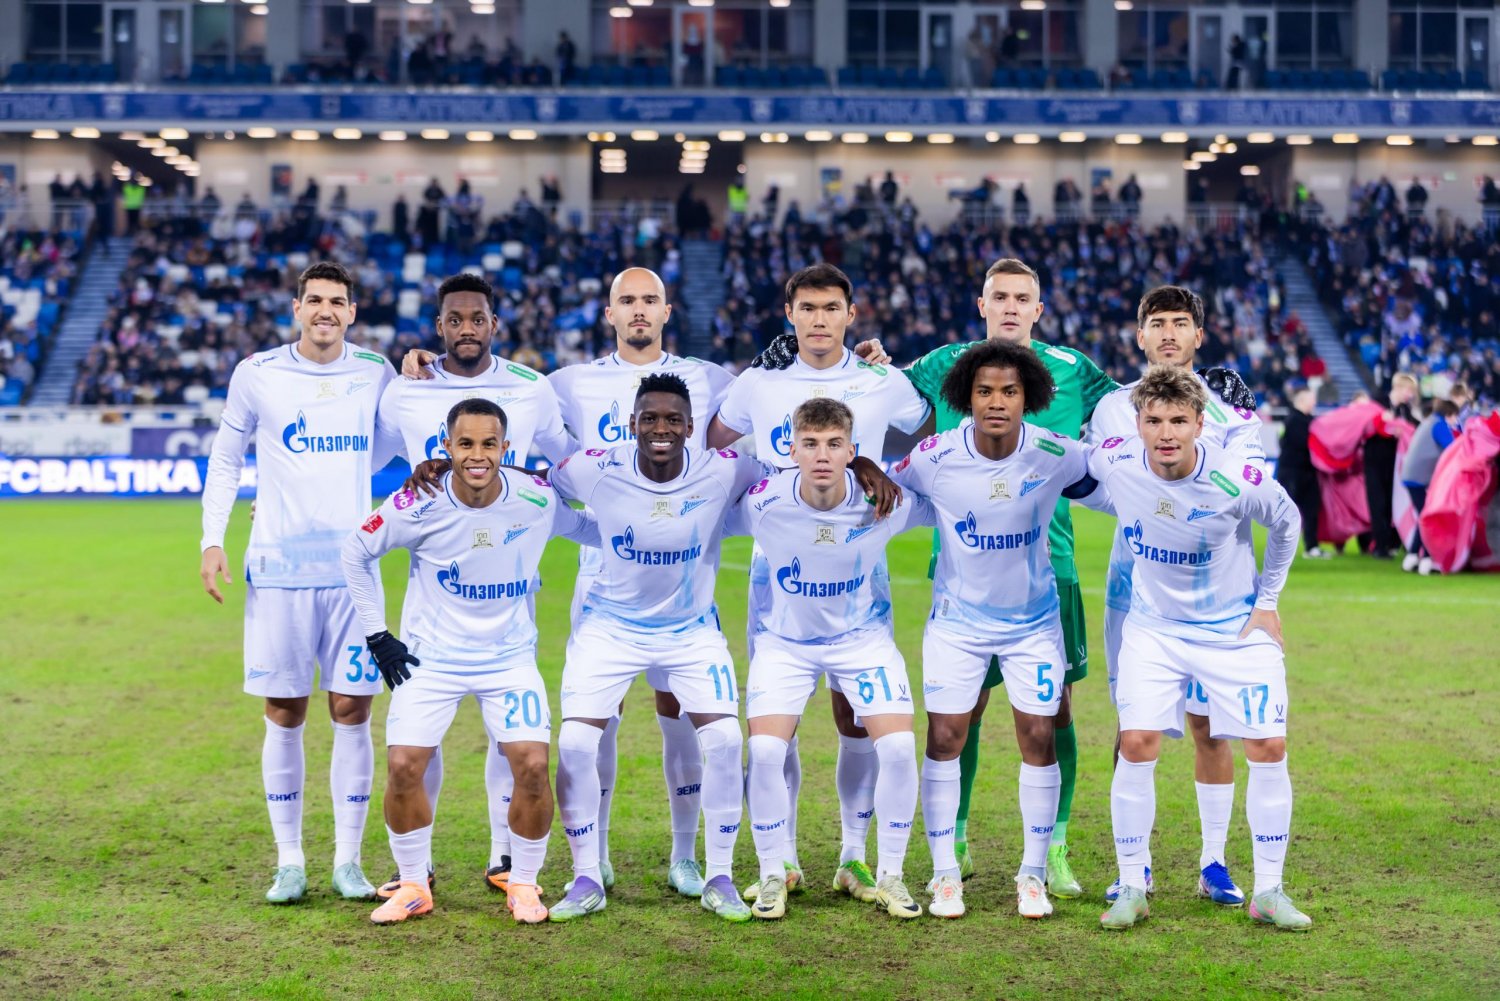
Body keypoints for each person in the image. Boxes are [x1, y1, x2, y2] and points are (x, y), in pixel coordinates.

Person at [401, 267, 730, 898]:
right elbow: (515, 434)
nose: (639, 310)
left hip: (684, 584)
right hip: (600, 581)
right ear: (609, 313)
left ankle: (685, 855)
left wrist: (867, 362)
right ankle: (594, 855)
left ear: (668, 310)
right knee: (595, 724)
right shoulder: (565, 384)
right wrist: (427, 366)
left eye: (650, 300)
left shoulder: (711, 379)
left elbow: (781, 407)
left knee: (682, 717)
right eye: (627, 300)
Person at [858, 257, 1115, 899]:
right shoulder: (946, 363)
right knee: (960, 711)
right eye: (999, 296)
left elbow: (1133, 409)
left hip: (1049, 564)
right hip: (961, 560)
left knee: (1054, 710)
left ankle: (1055, 847)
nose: (1010, 307)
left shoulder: (1074, 369)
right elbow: (887, 391)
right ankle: (957, 839)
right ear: (982, 305)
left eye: (1022, 298)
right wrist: (871, 363)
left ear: (1038, 309)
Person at [707, 263, 931, 904]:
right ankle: (780, 861)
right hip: (778, 571)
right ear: (789, 314)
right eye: (806, 308)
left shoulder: (881, 380)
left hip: (860, 560)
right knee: (775, 732)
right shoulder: (761, 380)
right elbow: (716, 439)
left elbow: (925, 431)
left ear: (851, 315)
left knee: (857, 722)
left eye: (831, 308)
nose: (819, 320)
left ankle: (856, 858)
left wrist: (870, 464)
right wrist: (754, 370)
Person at [343, 399, 598, 925]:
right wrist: (377, 635)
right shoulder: (418, 499)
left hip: (508, 659)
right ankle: (413, 885)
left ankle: (523, 884)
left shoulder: (536, 497)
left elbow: (591, 529)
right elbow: (355, 551)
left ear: (506, 448)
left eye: (488, 444)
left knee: (533, 766)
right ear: (446, 447)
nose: (477, 456)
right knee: (403, 766)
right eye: (465, 444)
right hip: (431, 659)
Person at [199, 262, 400, 904]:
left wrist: (334, 481)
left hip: (351, 574)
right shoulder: (257, 372)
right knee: (285, 712)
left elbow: (391, 446)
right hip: (279, 572)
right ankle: (290, 862)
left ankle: (347, 861)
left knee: (352, 710)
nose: (325, 311)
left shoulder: (376, 371)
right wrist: (212, 539)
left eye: (337, 301)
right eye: (314, 300)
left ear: (352, 312)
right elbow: (226, 458)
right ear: (296, 309)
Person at [1084, 365, 1310, 932]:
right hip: (1154, 630)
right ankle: (1132, 886)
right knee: (1135, 742)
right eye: (1154, 420)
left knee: (1268, 744)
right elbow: (1059, 462)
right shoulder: (1115, 459)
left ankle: (1269, 890)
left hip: (1233, 630)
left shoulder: (1236, 477)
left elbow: (1287, 521)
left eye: (1179, 421)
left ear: (1200, 424)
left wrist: (1268, 601)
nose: (1166, 433)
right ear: (1137, 424)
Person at [374, 273, 574, 899]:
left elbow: (565, 460)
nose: (466, 329)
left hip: (507, 574)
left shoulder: (531, 387)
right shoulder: (407, 388)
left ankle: (505, 856)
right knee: (418, 744)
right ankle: (417, 870)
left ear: (494, 324)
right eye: (455, 319)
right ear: (439, 326)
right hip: (436, 582)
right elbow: (368, 457)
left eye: (477, 318)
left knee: (509, 736)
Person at [545, 373, 772, 923]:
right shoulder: (596, 467)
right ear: (632, 424)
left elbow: (790, 478)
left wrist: (862, 466)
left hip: (690, 630)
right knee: (575, 741)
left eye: (673, 419)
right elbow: (541, 489)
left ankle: (717, 875)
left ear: (692, 428)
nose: (661, 428)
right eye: (650, 418)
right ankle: (586, 875)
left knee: (724, 739)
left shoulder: (725, 469)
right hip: (610, 627)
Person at [890, 341, 1103, 919]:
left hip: (1033, 625)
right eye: (984, 391)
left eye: (1009, 391)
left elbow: (1110, 483)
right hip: (957, 625)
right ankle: (944, 874)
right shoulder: (935, 455)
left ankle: (1032, 875)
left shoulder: (1054, 452)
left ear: (1027, 397)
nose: (997, 402)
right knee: (945, 737)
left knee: (1038, 734)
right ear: (967, 397)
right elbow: (890, 489)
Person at [1085, 285, 1266, 907]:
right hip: (1137, 583)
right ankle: (1133, 867)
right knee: (1135, 727)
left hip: (1219, 587)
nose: (1168, 333)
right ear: (1139, 336)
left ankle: (1213, 862)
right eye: (1156, 322)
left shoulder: (1230, 405)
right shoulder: (1113, 408)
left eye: (1180, 322)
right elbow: (1102, 487)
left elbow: (1252, 488)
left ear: (1199, 335)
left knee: (1212, 726)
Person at [730, 399, 931, 921]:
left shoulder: (884, 501)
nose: (822, 455)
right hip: (785, 642)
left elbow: (944, 504)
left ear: (852, 451)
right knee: (766, 750)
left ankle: (888, 872)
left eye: (835, 445)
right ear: (791, 450)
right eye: (811, 444)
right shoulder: (761, 502)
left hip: (861, 639)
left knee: (899, 747)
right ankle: (773, 871)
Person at [1400, 399, 1462, 575]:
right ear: (1449, 414)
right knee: (1428, 519)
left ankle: (1412, 557)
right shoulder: (1439, 425)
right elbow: (1453, 448)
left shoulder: (1429, 422)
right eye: (1455, 416)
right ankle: (1426, 560)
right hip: (1419, 478)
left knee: (1423, 517)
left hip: (1412, 476)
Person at [1277, 388, 1325, 558]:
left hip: (1307, 472)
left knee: (1312, 509)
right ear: (1302, 401)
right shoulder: (1294, 420)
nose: (1315, 402)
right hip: (1292, 472)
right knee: (1287, 512)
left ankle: (1312, 546)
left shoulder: (1308, 420)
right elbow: (1303, 443)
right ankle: (1281, 547)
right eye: (1312, 399)